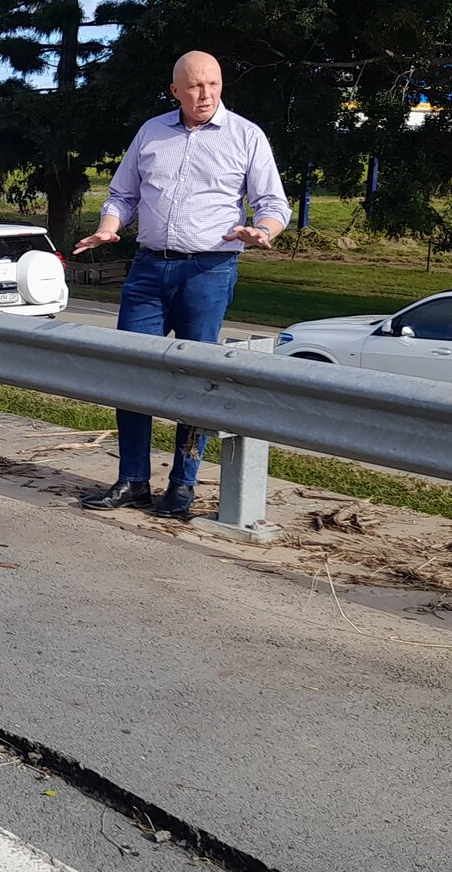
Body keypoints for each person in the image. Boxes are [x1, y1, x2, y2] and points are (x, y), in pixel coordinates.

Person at [73, 51, 291, 520]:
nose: (205, 94)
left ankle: (182, 485)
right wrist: (111, 226)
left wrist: (264, 231)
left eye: (212, 84)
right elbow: (122, 195)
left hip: (209, 271)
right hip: (148, 269)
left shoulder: (246, 136)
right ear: (175, 90)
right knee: (133, 371)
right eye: (194, 86)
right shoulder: (151, 132)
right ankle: (132, 480)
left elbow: (274, 202)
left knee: (196, 381)